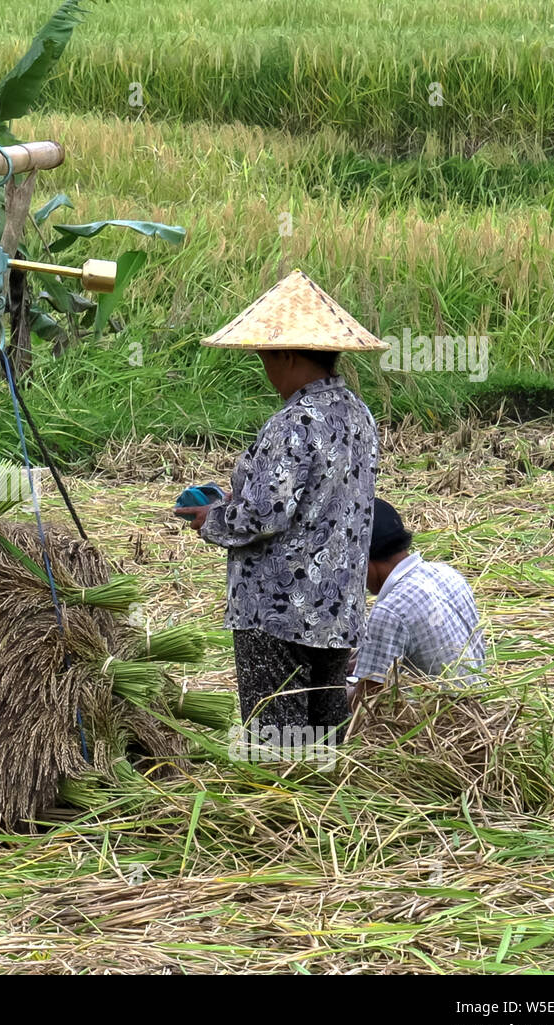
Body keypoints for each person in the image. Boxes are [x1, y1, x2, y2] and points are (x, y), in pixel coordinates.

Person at [176, 269, 385, 739]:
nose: (265, 369)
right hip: (335, 611)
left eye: (266, 357)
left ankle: (282, 814)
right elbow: (314, 501)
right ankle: (326, 813)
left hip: (277, 614)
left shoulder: (293, 422)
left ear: (287, 354)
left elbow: (264, 515)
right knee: (323, 737)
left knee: (278, 746)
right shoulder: (358, 415)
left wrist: (213, 518)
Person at [348, 498, 486, 705]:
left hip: (436, 724)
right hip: (478, 707)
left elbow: (367, 703)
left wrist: (328, 694)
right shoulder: (448, 573)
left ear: (363, 560)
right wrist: (362, 661)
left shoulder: (389, 611)